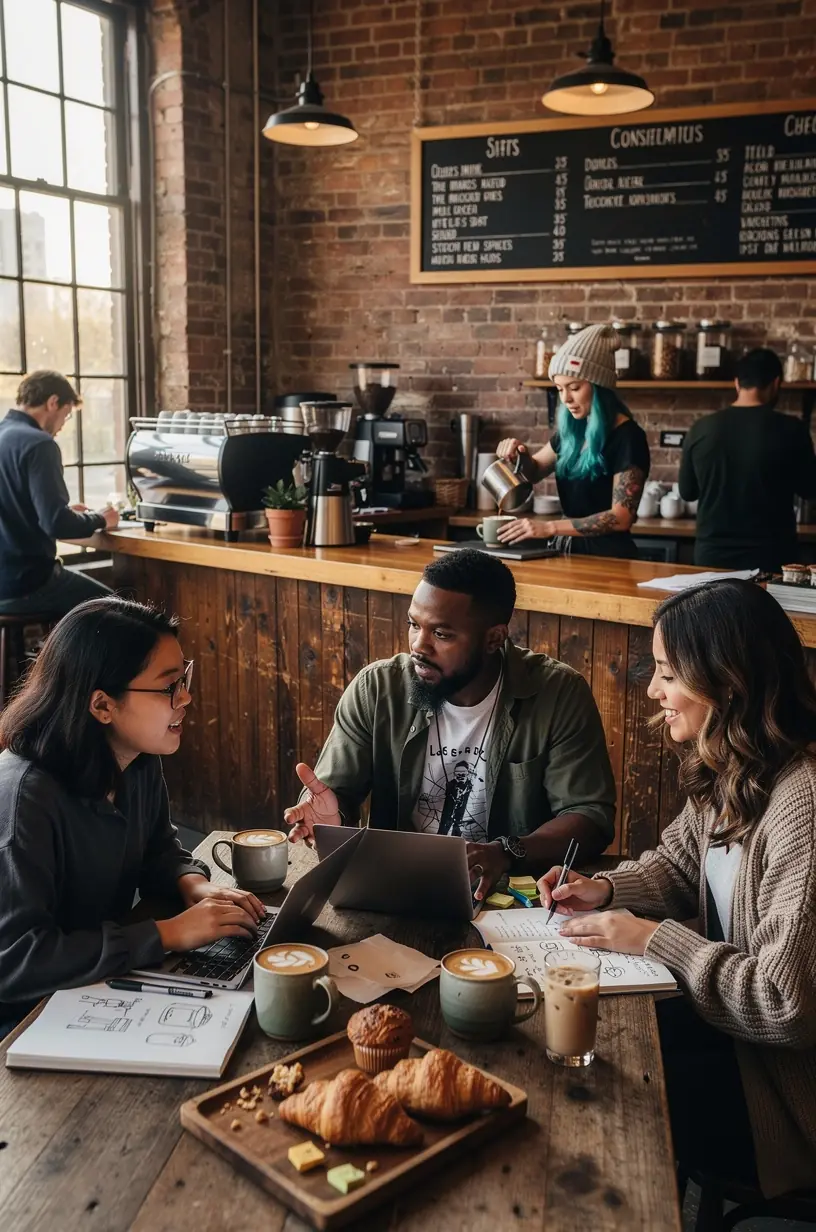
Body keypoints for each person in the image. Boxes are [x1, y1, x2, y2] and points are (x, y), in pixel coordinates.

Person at [538, 579, 816, 1198]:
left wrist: (653, 939)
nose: (652, 691)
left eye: (667, 673)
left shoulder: (803, 804)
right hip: (734, 1046)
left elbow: (784, 1005)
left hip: (783, 1101)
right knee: (581, 1043)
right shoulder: (736, 769)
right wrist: (603, 889)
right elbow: (679, 866)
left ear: (727, 682)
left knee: (597, 1089)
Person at [283, 549, 616, 901]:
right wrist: (327, 818)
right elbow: (334, 797)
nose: (419, 645)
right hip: (393, 888)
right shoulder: (378, 688)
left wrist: (505, 852)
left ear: (493, 638)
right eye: (414, 624)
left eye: (441, 634)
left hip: (509, 899)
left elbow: (590, 816)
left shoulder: (558, 693)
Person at [0, 597, 264, 1035]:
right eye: (168, 686)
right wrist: (167, 934)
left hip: (97, 985)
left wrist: (193, 885)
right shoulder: (23, 798)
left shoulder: (135, 757)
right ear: (102, 706)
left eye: (184, 678)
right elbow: (17, 961)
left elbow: (157, 849)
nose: (186, 697)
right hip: (26, 1019)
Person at [495, 324, 650, 559]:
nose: (566, 398)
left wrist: (549, 527)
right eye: (559, 389)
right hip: (566, 552)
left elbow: (621, 518)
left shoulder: (629, 437)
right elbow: (533, 472)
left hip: (607, 557)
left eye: (574, 387)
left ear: (599, 387)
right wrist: (519, 455)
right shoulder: (572, 432)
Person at [679, 347, 816, 572]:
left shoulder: (700, 429)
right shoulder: (792, 430)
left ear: (737, 383)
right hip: (771, 558)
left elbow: (687, 492)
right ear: (776, 383)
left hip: (712, 557)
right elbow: (810, 490)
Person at [0, 371, 120, 617]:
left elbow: (16, 508)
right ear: (53, 402)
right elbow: (56, 524)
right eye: (66, 414)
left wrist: (63, 512)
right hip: (27, 583)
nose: (63, 426)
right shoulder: (39, 444)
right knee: (124, 613)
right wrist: (100, 519)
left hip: (5, 582)